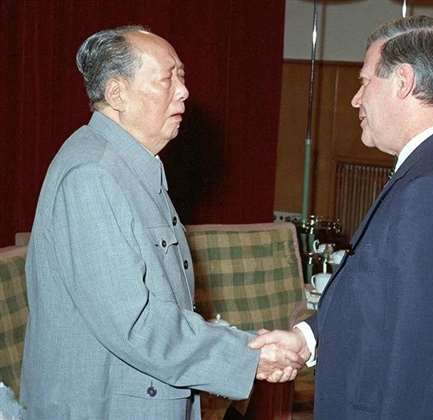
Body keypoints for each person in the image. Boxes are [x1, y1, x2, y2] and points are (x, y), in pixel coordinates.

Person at [20, 25, 300, 420]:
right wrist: (249, 357)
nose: (184, 91)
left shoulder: (128, 166)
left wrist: (247, 347)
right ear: (117, 94)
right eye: (168, 79)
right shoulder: (93, 175)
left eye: (182, 77)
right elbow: (137, 325)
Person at [250, 15, 433, 419]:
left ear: (403, 81)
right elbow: (380, 299)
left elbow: (418, 363)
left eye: (365, 81)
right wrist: (308, 338)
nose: (355, 99)